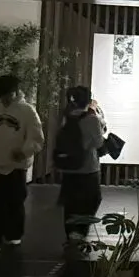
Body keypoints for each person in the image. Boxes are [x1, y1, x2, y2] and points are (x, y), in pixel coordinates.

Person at [0, 74, 45, 255]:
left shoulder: (27, 111)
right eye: (2, 95)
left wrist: (24, 151)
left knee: (15, 203)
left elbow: (37, 138)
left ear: (16, 91)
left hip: (16, 166)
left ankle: (14, 234)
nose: (5, 98)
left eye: (9, 94)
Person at [53, 86, 107, 243]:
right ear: (89, 101)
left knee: (71, 201)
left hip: (69, 166)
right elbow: (98, 142)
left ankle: (70, 231)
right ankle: (80, 231)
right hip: (88, 167)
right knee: (92, 199)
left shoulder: (66, 116)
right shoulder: (91, 119)